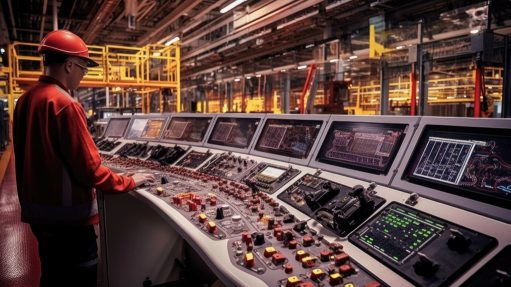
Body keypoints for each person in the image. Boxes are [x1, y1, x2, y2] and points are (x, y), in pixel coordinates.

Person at [12, 30, 155, 287]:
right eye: (83, 68)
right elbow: (89, 169)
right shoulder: (65, 103)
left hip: (38, 216)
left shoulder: (25, 100)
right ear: (69, 65)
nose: (83, 75)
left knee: (53, 275)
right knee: (78, 278)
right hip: (68, 222)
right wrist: (129, 181)